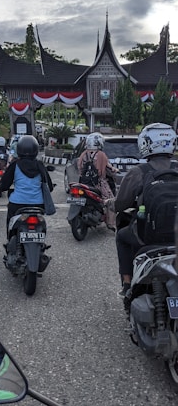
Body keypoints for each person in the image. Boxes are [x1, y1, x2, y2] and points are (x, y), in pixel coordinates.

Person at [114, 123, 178, 297]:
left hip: (148, 236)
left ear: (145, 143)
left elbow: (120, 204)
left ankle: (127, 284)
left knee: (121, 237)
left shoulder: (138, 172)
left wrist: (109, 204)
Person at [0, 135, 53, 235]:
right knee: (40, 223)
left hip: (17, 204)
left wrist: (1, 187)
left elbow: (4, 185)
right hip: (38, 204)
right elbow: (49, 186)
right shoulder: (39, 165)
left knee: (11, 224)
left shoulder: (15, 165)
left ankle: (11, 239)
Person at [77, 132, 118, 230]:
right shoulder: (101, 155)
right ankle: (111, 223)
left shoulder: (83, 154)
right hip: (99, 183)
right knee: (111, 201)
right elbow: (108, 168)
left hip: (84, 183)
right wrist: (115, 170)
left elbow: (79, 167)